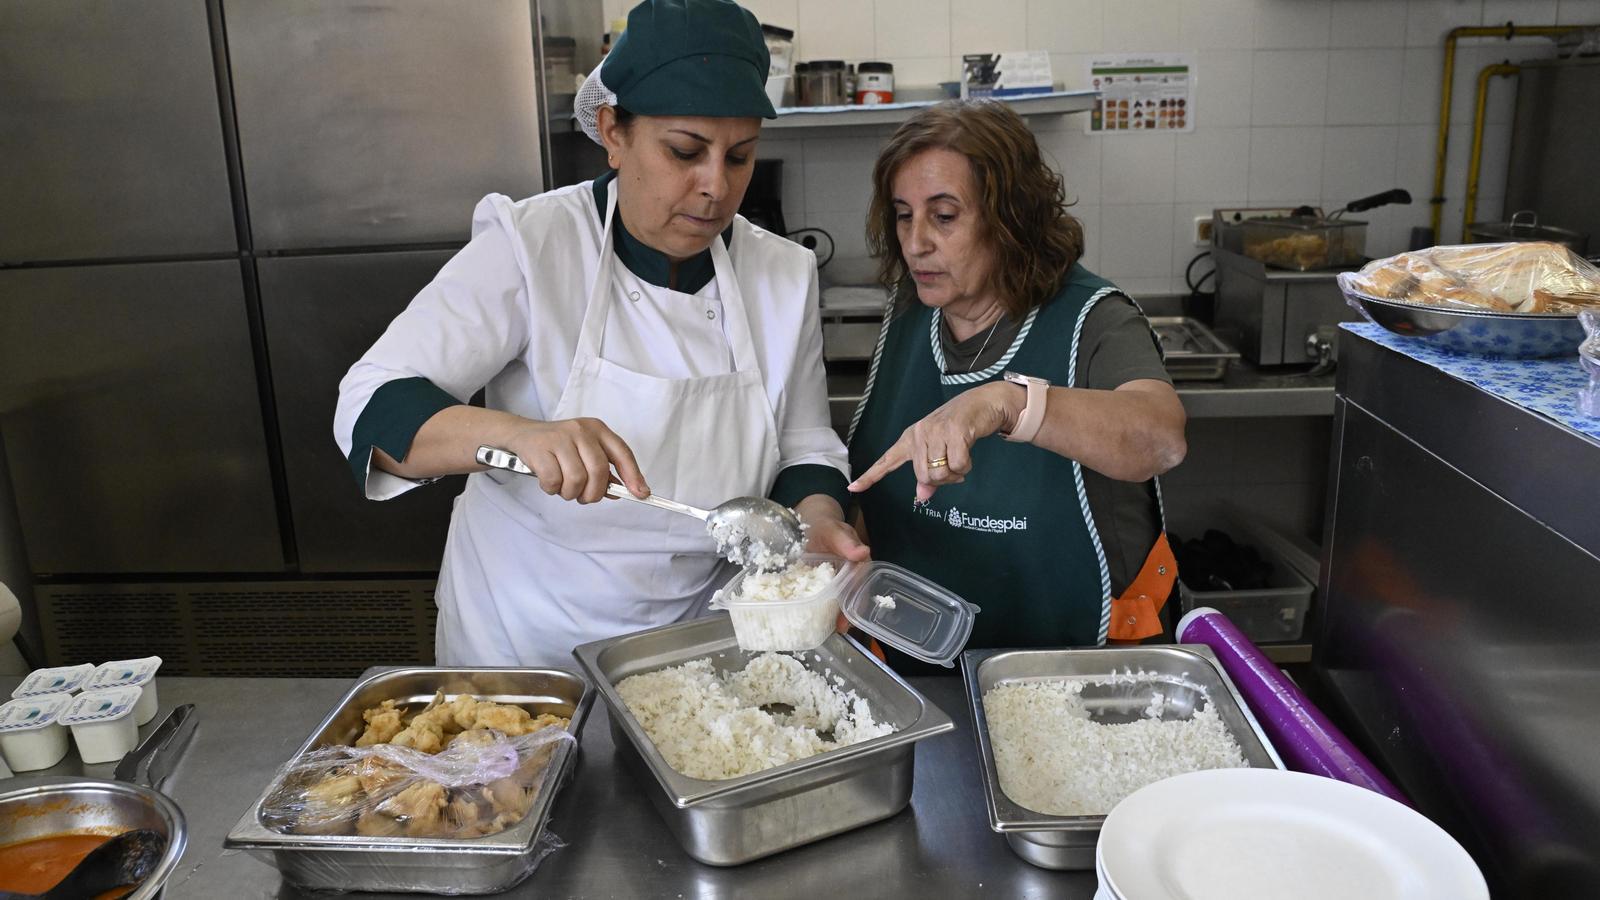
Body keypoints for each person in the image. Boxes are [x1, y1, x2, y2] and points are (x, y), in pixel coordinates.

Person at [334, 0, 867, 666]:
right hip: (526, 638)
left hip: (702, 639)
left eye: (740, 157)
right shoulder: (532, 245)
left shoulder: (781, 273)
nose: (714, 188)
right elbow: (371, 406)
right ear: (614, 131)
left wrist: (816, 521)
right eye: (684, 151)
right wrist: (519, 437)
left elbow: (806, 442)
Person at [845, 101, 1187, 664]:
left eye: (945, 216)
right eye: (904, 215)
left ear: (1012, 218)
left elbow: (1161, 440)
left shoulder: (1094, 318)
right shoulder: (908, 314)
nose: (916, 242)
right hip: (920, 667)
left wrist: (1009, 404)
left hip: (1078, 673)